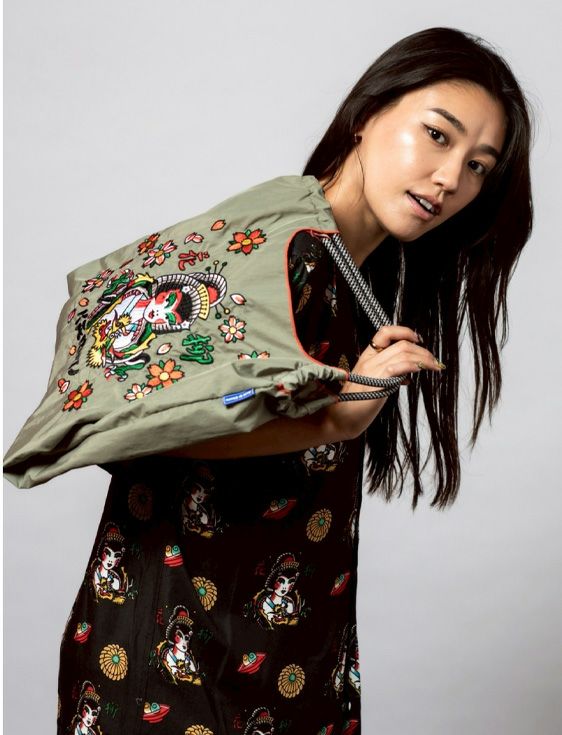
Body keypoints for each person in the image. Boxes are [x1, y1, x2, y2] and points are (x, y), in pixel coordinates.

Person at [55, 26, 534, 734]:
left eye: (478, 167)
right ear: (367, 114)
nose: (450, 178)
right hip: (176, 657)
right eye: (437, 136)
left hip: (290, 659)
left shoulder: (357, 279)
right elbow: (153, 424)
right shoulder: (283, 254)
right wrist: (338, 416)